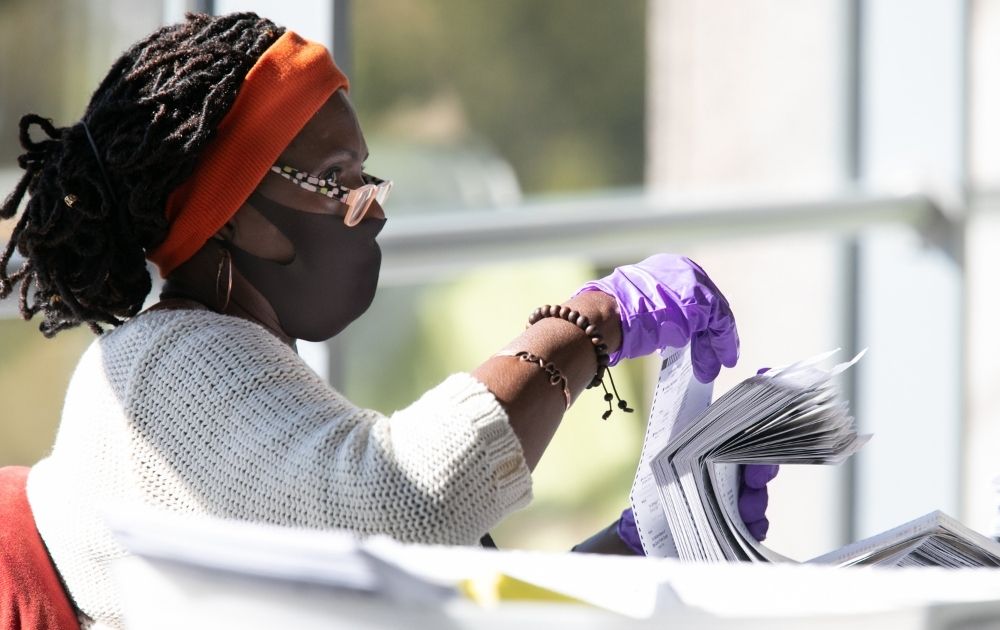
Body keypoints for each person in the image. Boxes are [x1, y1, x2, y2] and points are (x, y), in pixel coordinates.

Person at [0, 13, 771, 629]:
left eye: (367, 177)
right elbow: (406, 500)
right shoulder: (164, 367)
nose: (369, 210)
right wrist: (592, 321)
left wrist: (642, 547)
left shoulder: (237, 358)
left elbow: (417, 597)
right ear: (228, 211)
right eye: (336, 180)